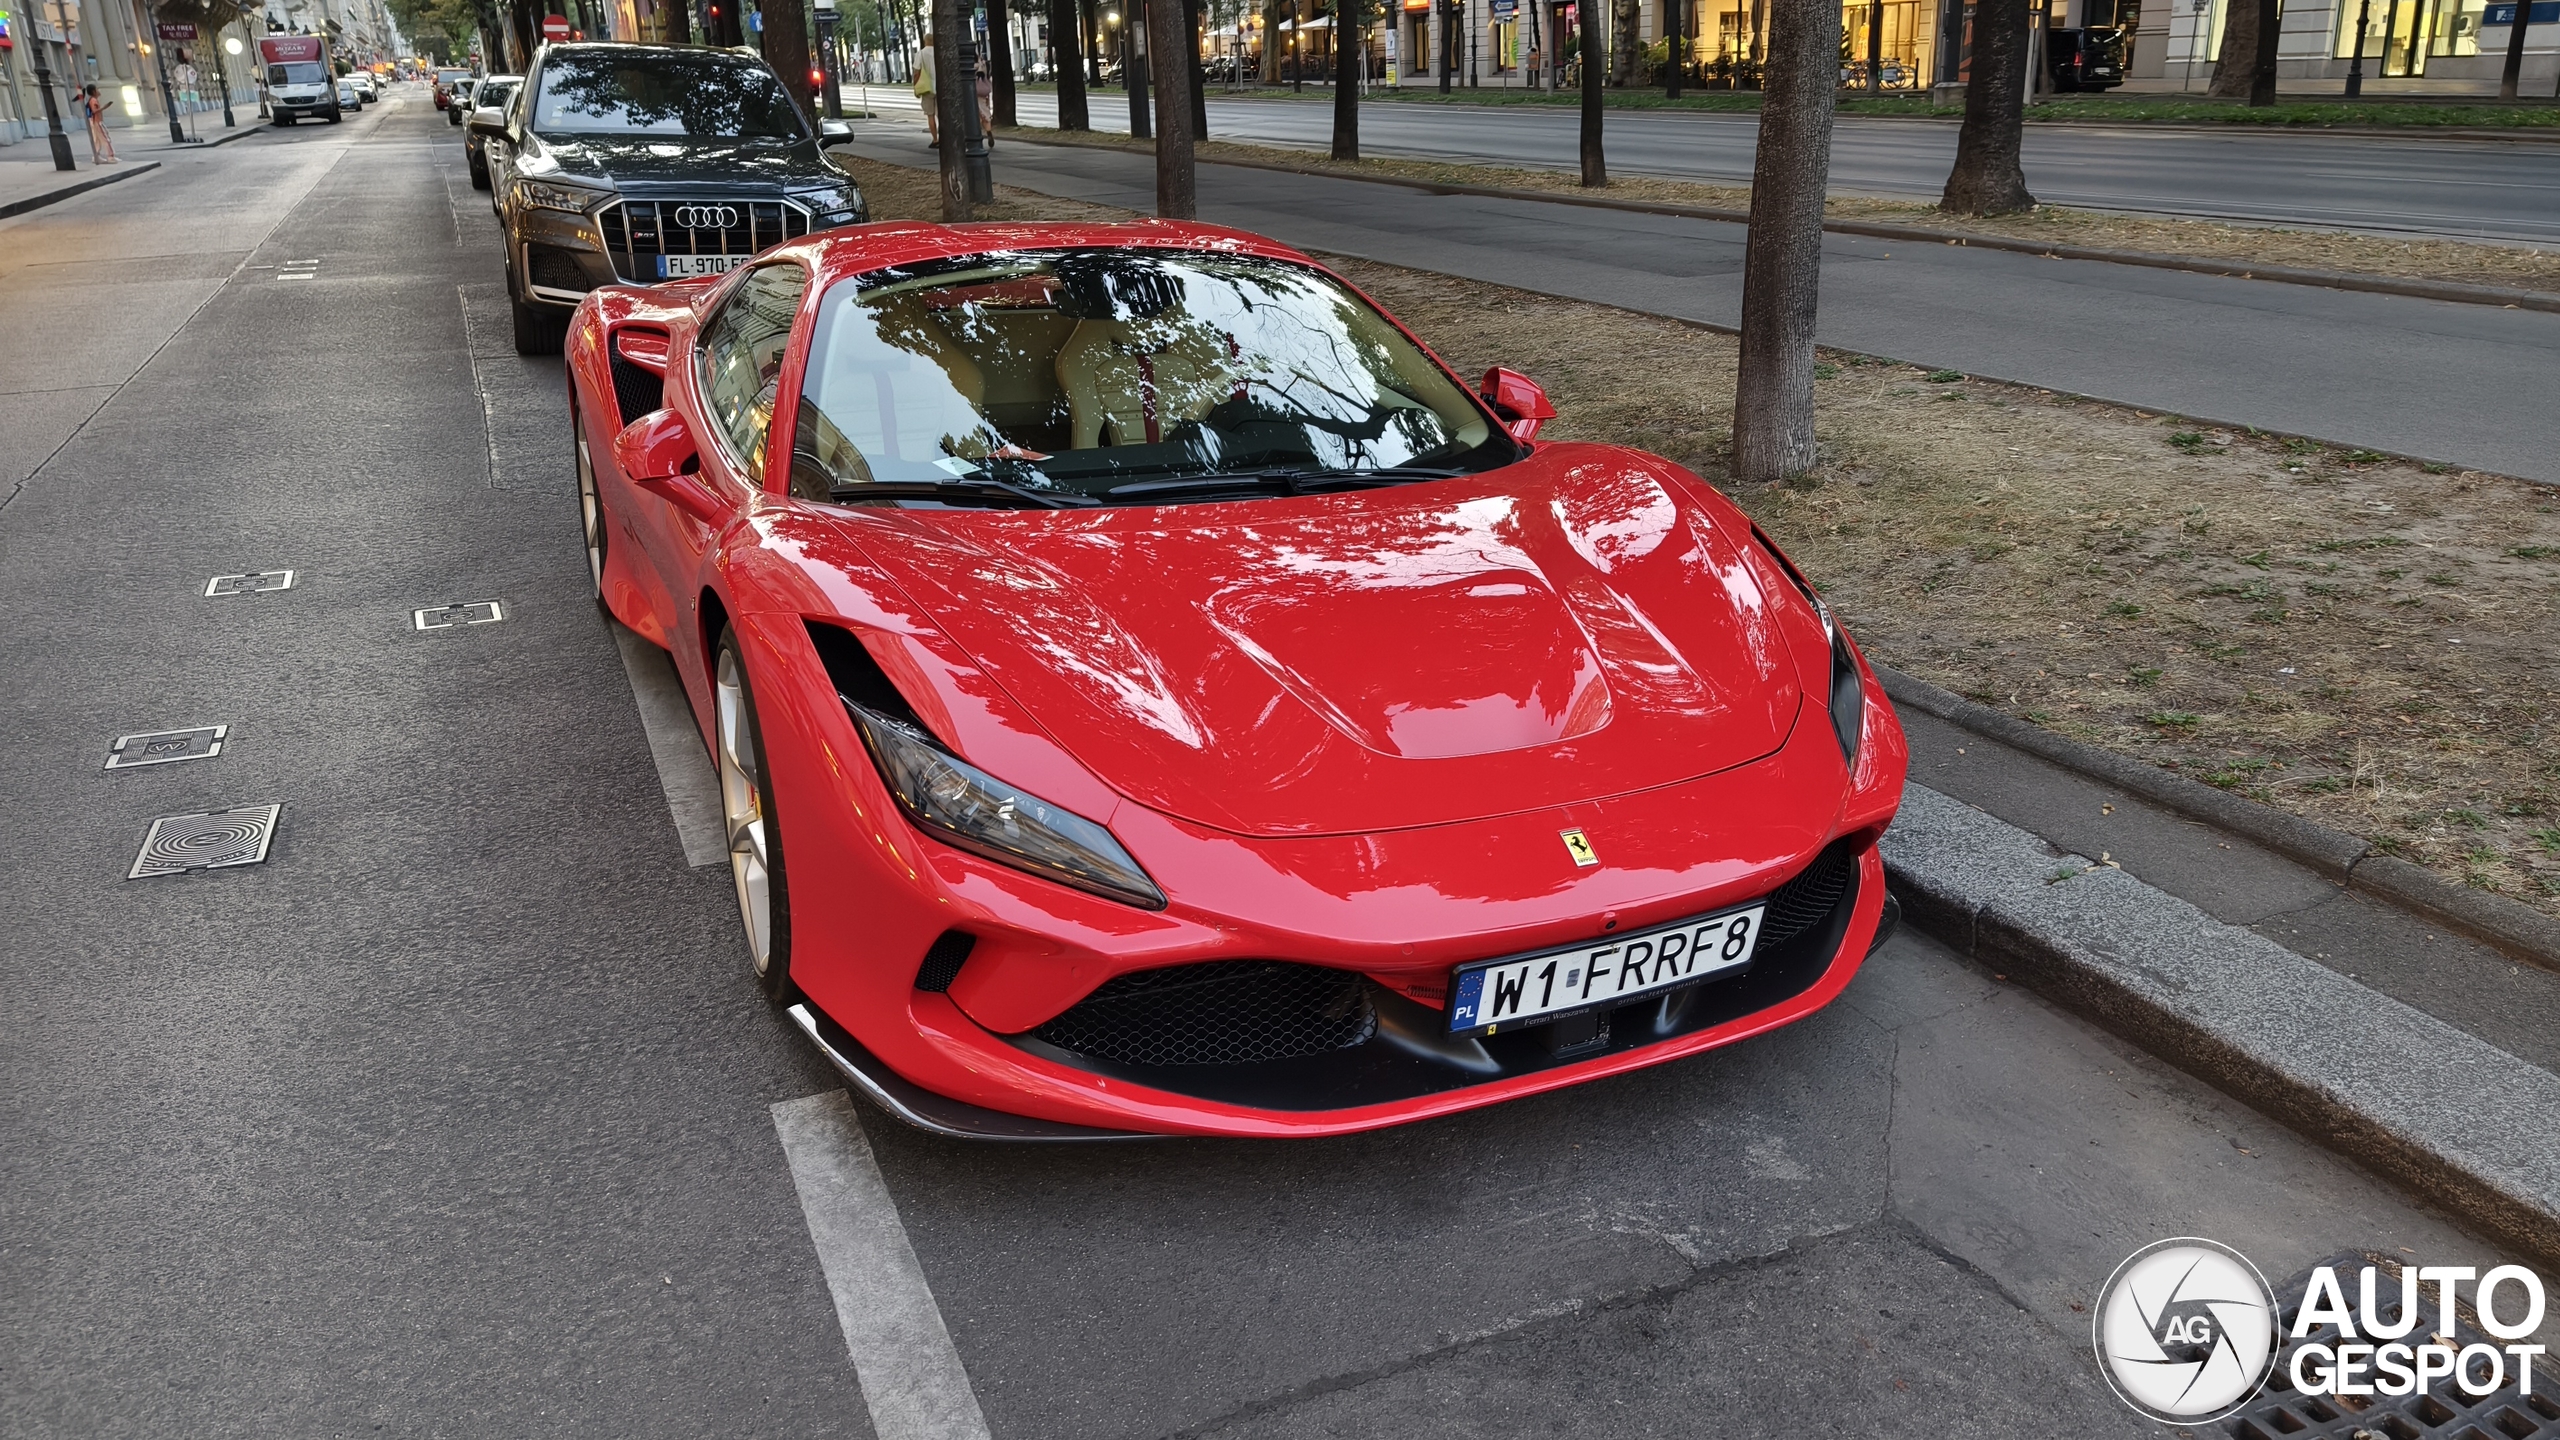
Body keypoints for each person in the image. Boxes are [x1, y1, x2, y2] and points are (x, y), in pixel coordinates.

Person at [81, 84, 118, 164]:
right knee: (105, 139)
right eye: (97, 89)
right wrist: (104, 107)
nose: (99, 91)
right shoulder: (93, 100)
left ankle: (96, 156)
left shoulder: (92, 100)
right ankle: (110, 156)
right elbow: (94, 111)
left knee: (97, 140)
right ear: (94, 91)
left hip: (94, 122)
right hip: (96, 122)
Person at [914, 32, 938, 148]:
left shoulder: (921, 54)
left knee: (930, 115)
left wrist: (915, 86)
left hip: (927, 87)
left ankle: (935, 139)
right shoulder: (939, 52)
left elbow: (916, 71)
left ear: (925, 41)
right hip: (941, 86)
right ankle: (946, 137)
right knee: (942, 115)